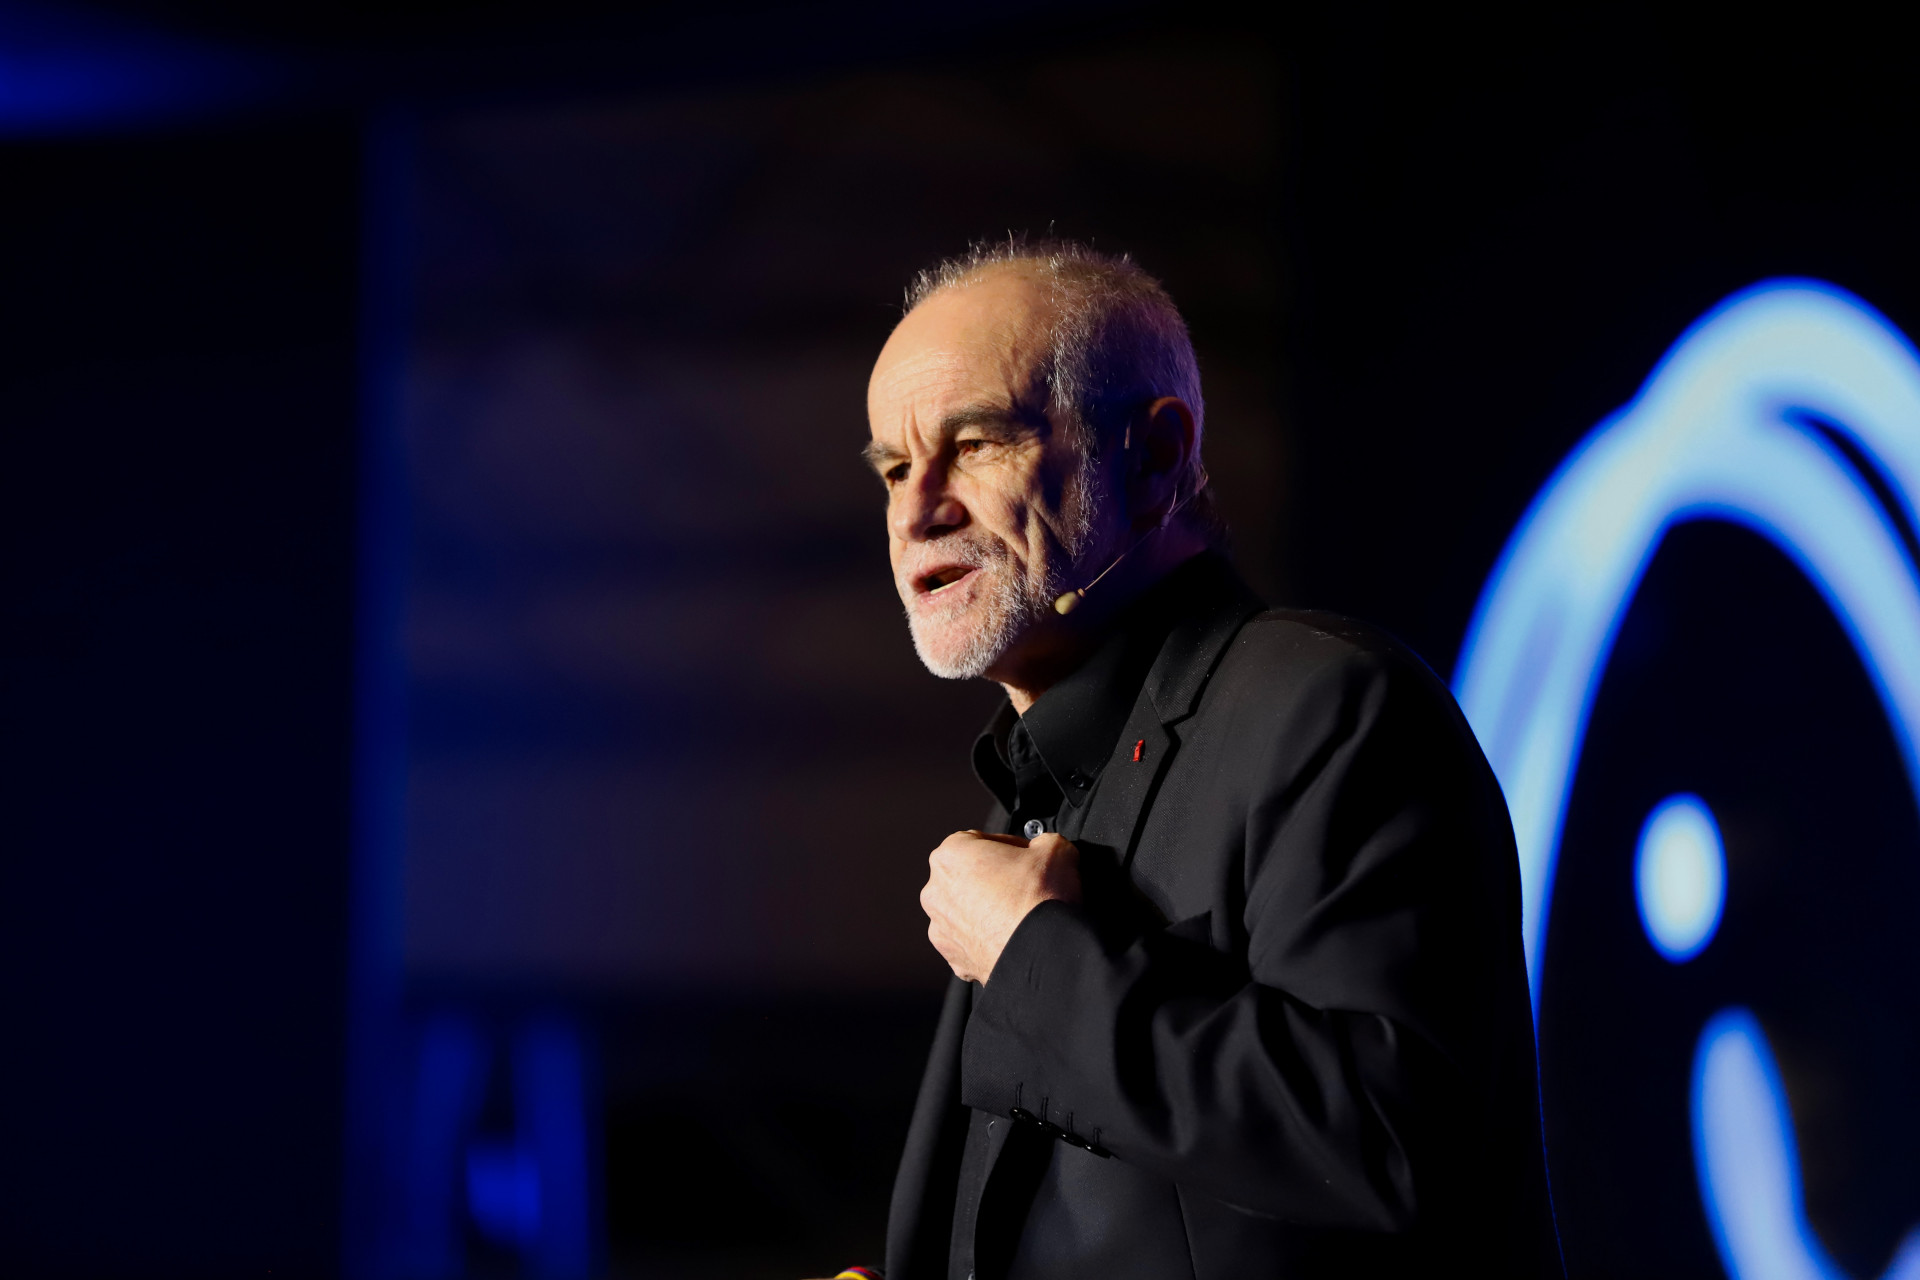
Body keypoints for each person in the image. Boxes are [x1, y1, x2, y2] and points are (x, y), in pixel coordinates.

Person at [830, 239, 1561, 1279]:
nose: (917, 511)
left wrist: (1036, 957)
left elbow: (1389, 1141)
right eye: (897, 469)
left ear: (1156, 456)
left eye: (977, 443)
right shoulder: (1031, 794)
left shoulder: (1333, 707)